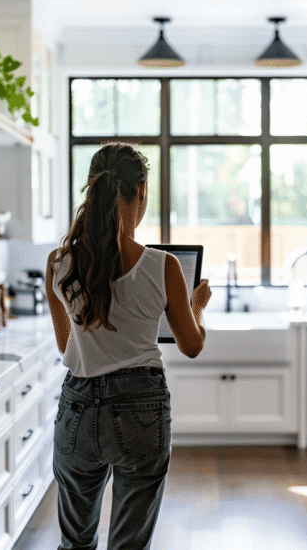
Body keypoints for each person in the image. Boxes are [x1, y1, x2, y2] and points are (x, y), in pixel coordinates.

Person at [45, 142, 211, 550]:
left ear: (93, 189)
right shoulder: (164, 266)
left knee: (75, 541)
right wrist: (196, 307)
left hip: (78, 407)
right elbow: (191, 346)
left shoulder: (58, 263)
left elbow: (68, 344)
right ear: (139, 193)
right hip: (141, 407)